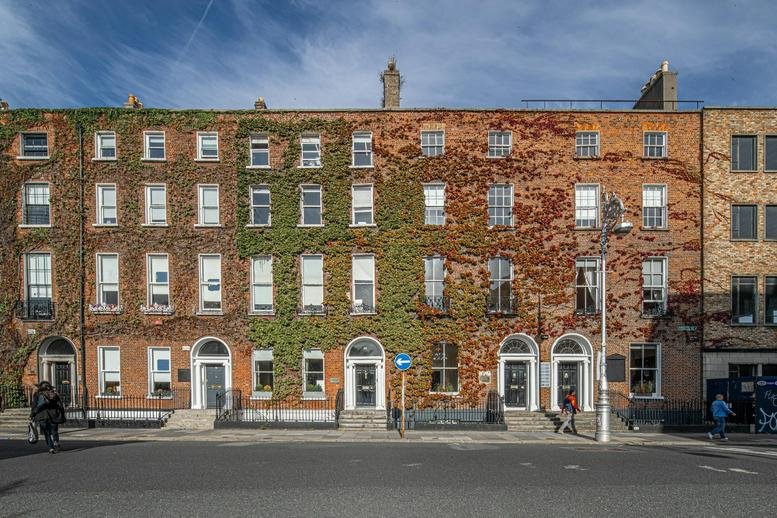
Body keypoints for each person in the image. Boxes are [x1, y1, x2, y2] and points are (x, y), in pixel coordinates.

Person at [30, 381, 66, 453]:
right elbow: (60, 406)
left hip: (42, 416)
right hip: (54, 415)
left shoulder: (37, 395)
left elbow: (34, 406)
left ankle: (51, 448)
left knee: (47, 433)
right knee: (54, 430)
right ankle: (56, 441)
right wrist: (62, 414)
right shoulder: (54, 394)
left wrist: (32, 414)